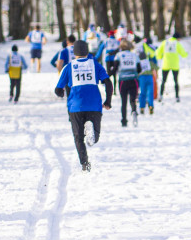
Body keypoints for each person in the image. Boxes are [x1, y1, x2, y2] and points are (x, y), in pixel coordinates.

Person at [54, 40, 113, 172]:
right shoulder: (95, 65)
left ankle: (85, 164)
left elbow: (58, 90)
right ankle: (92, 137)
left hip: (76, 106)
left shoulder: (69, 67)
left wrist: (62, 92)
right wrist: (108, 101)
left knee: (78, 137)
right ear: (87, 51)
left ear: (74, 53)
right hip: (94, 105)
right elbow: (108, 83)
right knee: (94, 137)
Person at [114, 39, 140, 127]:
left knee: (123, 101)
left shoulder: (118, 55)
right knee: (133, 99)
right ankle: (134, 111)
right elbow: (139, 68)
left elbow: (115, 68)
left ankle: (124, 120)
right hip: (134, 80)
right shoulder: (134, 55)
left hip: (123, 81)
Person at [157, 32, 189, 102]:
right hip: (175, 65)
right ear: (177, 38)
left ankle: (161, 95)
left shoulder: (165, 42)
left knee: (163, 81)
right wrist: (186, 54)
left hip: (166, 65)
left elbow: (158, 52)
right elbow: (183, 54)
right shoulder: (177, 44)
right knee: (176, 81)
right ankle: (177, 96)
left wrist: (160, 57)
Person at [137, 46, 157, 116]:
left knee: (142, 93)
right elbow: (155, 68)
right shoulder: (149, 62)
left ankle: (142, 107)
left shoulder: (139, 63)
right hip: (149, 77)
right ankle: (151, 106)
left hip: (142, 78)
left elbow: (136, 71)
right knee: (150, 92)